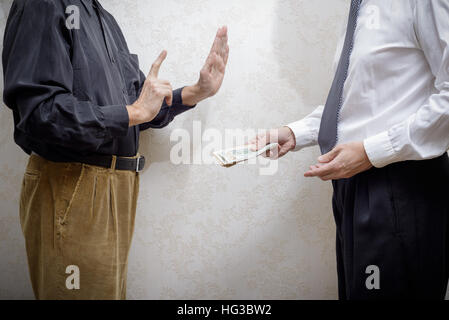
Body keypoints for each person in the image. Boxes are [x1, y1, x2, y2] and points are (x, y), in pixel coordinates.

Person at [2, 0, 228, 299]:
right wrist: (134, 112)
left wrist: (196, 92)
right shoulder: (44, 4)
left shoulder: (102, 17)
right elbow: (42, 114)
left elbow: (136, 109)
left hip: (118, 188)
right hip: (73, 184)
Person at [252, 0, 449, 299]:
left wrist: (372, 151)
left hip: (400, 187)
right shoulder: (360, 10)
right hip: (354, 187)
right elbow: (359, 107)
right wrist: (295, 132)